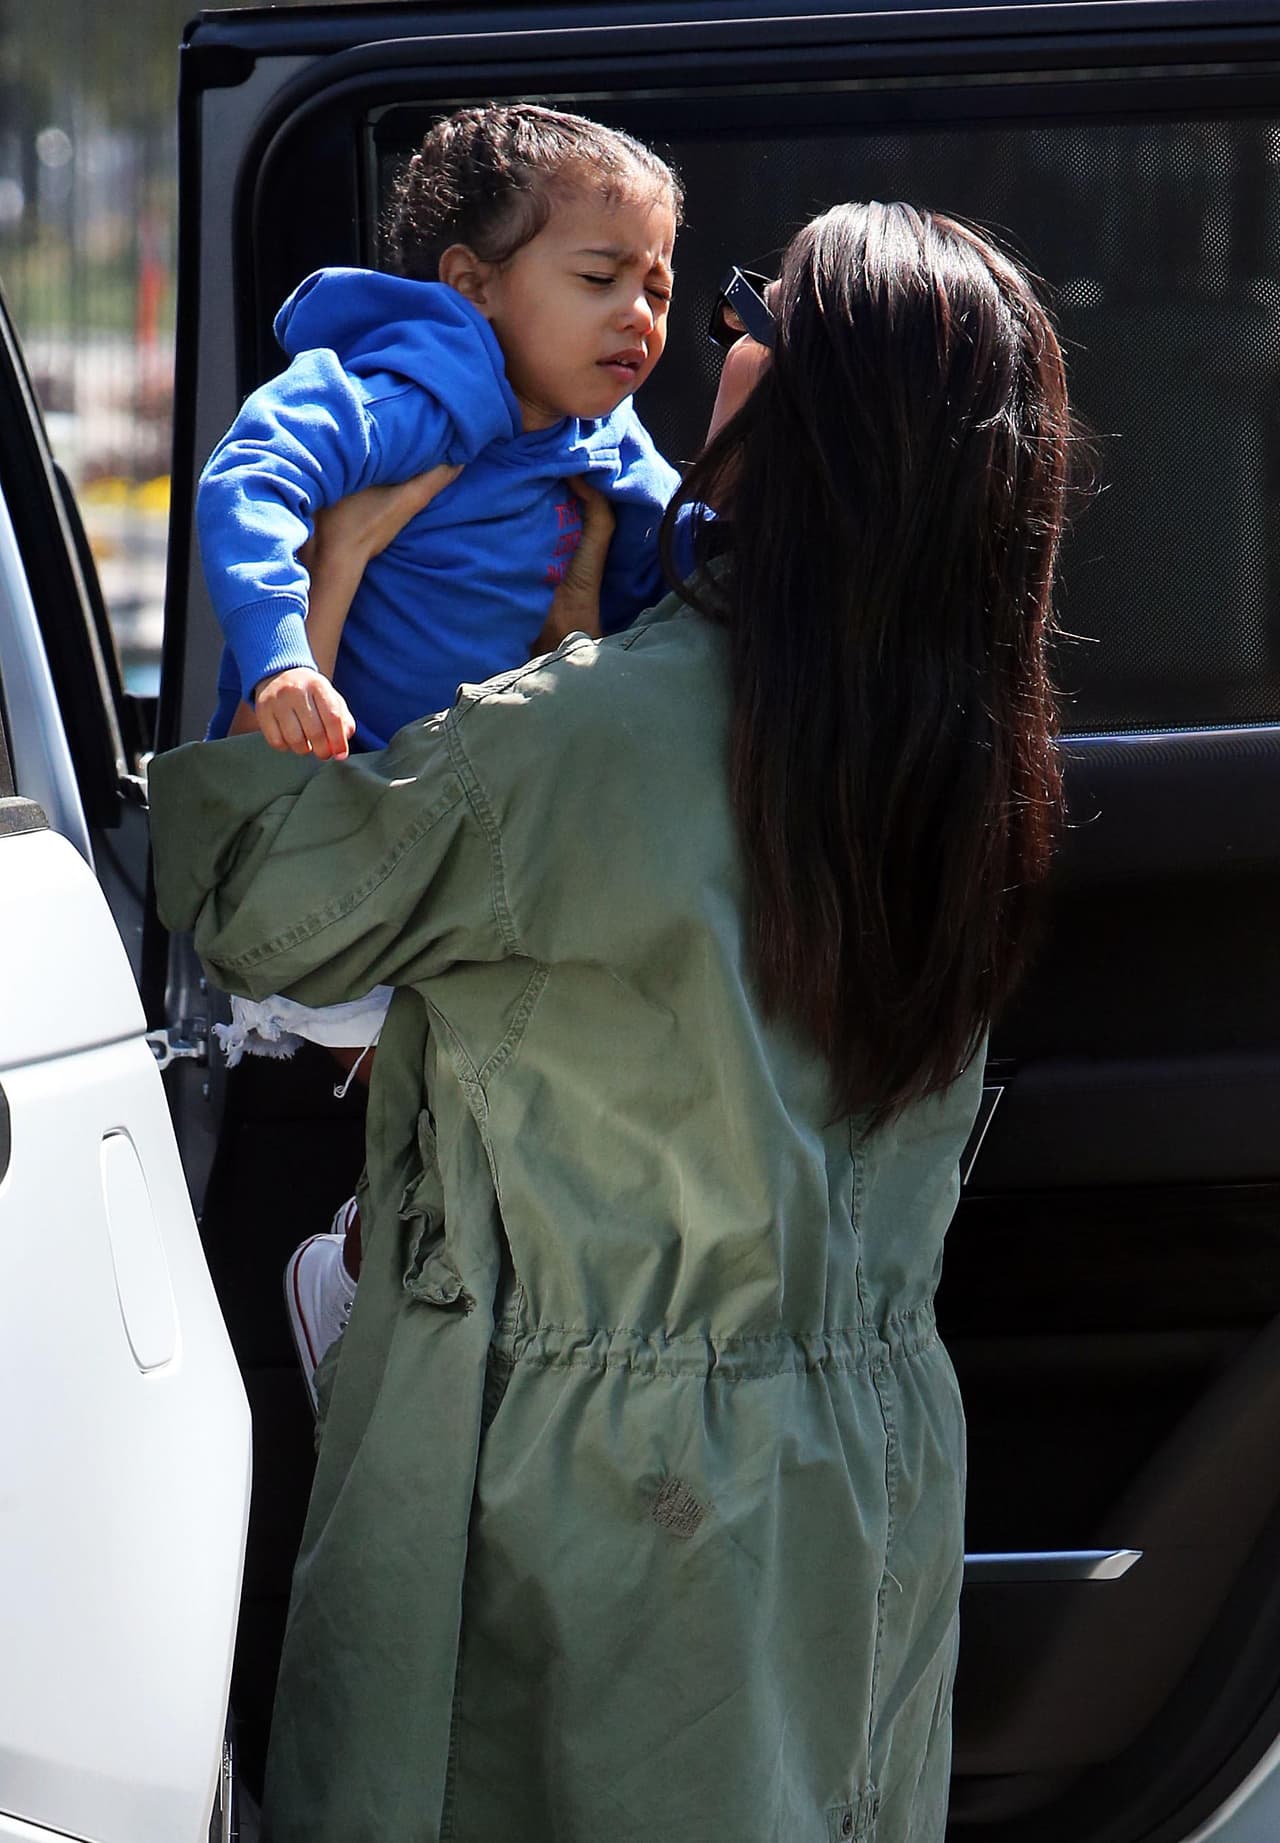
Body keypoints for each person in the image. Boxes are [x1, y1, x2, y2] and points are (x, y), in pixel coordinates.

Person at [150, 199, 1075, 1842]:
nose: (708, 339)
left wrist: (342, 564)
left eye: (745, 306)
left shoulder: (585, 741)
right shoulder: (970, 752)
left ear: (809, 399)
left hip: (605, 1496)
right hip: (864, 1466)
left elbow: (256, 901)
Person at [194, 103, 682, 1399]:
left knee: (544, 1062)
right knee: (428, 1047)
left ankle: (388, 1273)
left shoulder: (595, 441)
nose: (639, 314)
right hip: (347, 820)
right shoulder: (406, 388)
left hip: (485, 826)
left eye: (657, 285)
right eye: (598, 278)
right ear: (472, 283)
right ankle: (364, 1274)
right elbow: (250, 484)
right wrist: (285, 654)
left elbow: (674, 562)